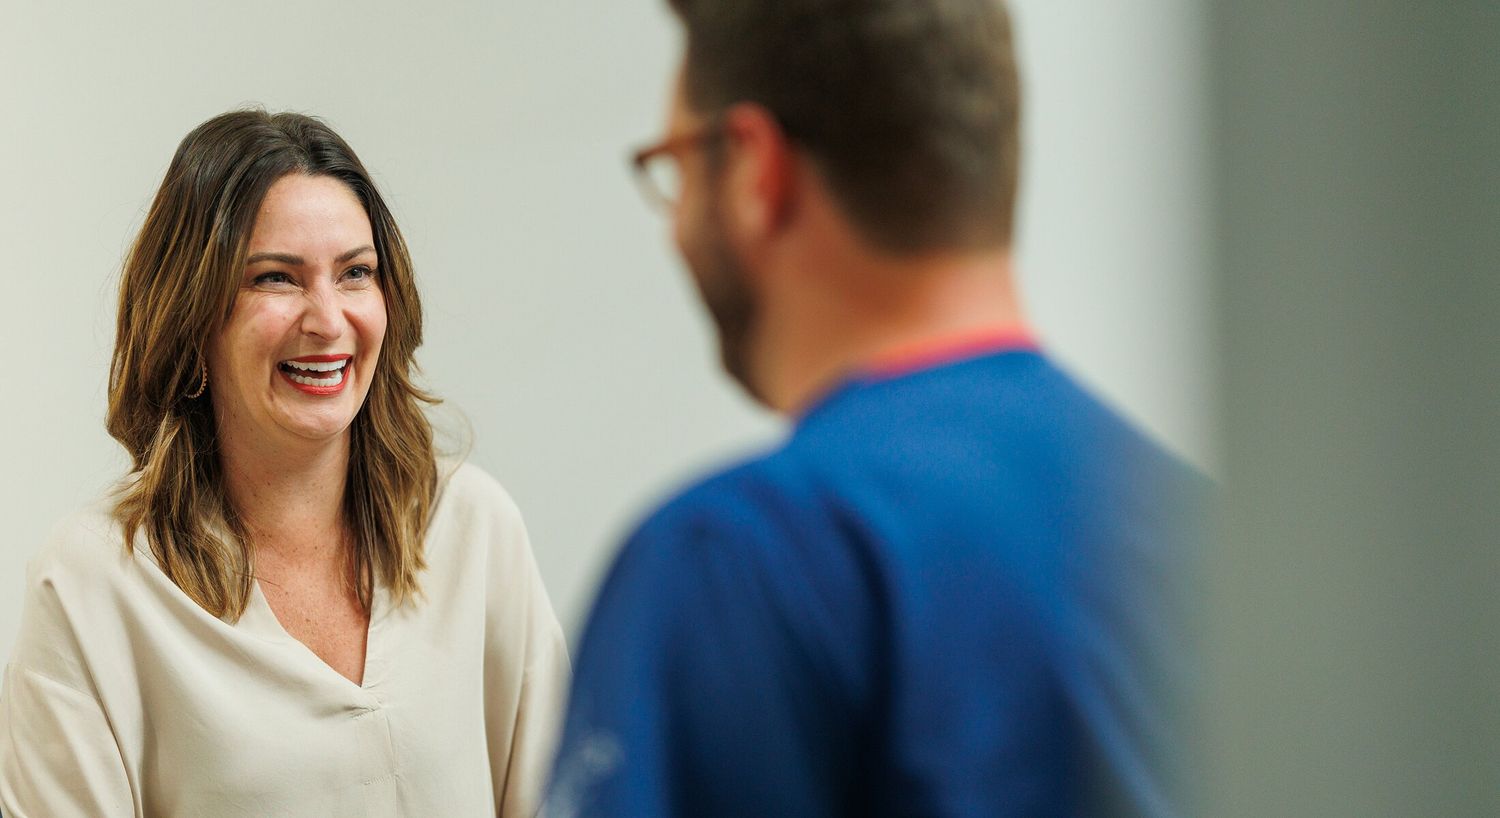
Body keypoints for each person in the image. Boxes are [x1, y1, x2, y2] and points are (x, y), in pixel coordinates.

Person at [546, 1, 1200, 816]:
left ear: (753, 171)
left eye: (674, 167)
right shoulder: (1201, 529)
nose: (675, 223)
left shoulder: (738, 561)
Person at [0, 110, 568, 816]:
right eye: (276, 278)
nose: (328, 320)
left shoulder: (474, 528)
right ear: (191, 316)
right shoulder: (92, 584)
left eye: (355, 273)